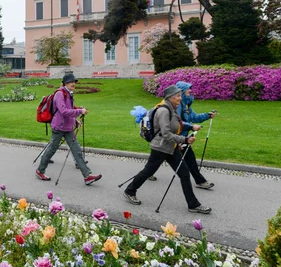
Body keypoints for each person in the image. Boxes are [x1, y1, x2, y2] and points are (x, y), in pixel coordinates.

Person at [123, 85, 211, 214]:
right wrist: (184, 140)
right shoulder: (164, 111)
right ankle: (130, 191)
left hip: (170, 147)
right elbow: (166, 134)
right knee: (148, 171)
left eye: (180, 95)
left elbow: (176, 127)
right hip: (160, 147)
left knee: (184, 173)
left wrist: (179, 142)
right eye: (178, 96)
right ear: (170, 97)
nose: (180, 98)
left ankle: (193, 204)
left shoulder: (172, 108)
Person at [35, 73, 102, 186]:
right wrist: (79, 111)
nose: (74, 84)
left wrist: (76, 121)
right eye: (72, 82)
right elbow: (64, 111)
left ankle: (87, 176)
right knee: (51, 150)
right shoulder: (60, 94)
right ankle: (40, 171)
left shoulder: (69, 94)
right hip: (59, 128)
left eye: (74, 82)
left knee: (77, 151)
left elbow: (70, 110)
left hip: (68, 128)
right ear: (66, 83)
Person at [176, 81, 216, 189]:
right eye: (188, 89)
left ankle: (148, 172)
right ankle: (200, 181)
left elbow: (194, 117)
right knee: (190, 159)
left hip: (182, 137)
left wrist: (207, 116)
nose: (190, 90)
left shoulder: (186, 105)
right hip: (176, 137)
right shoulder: (178, 105)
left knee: (157, 159)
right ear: (182, 91)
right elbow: (177, 122)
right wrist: (191, 127)